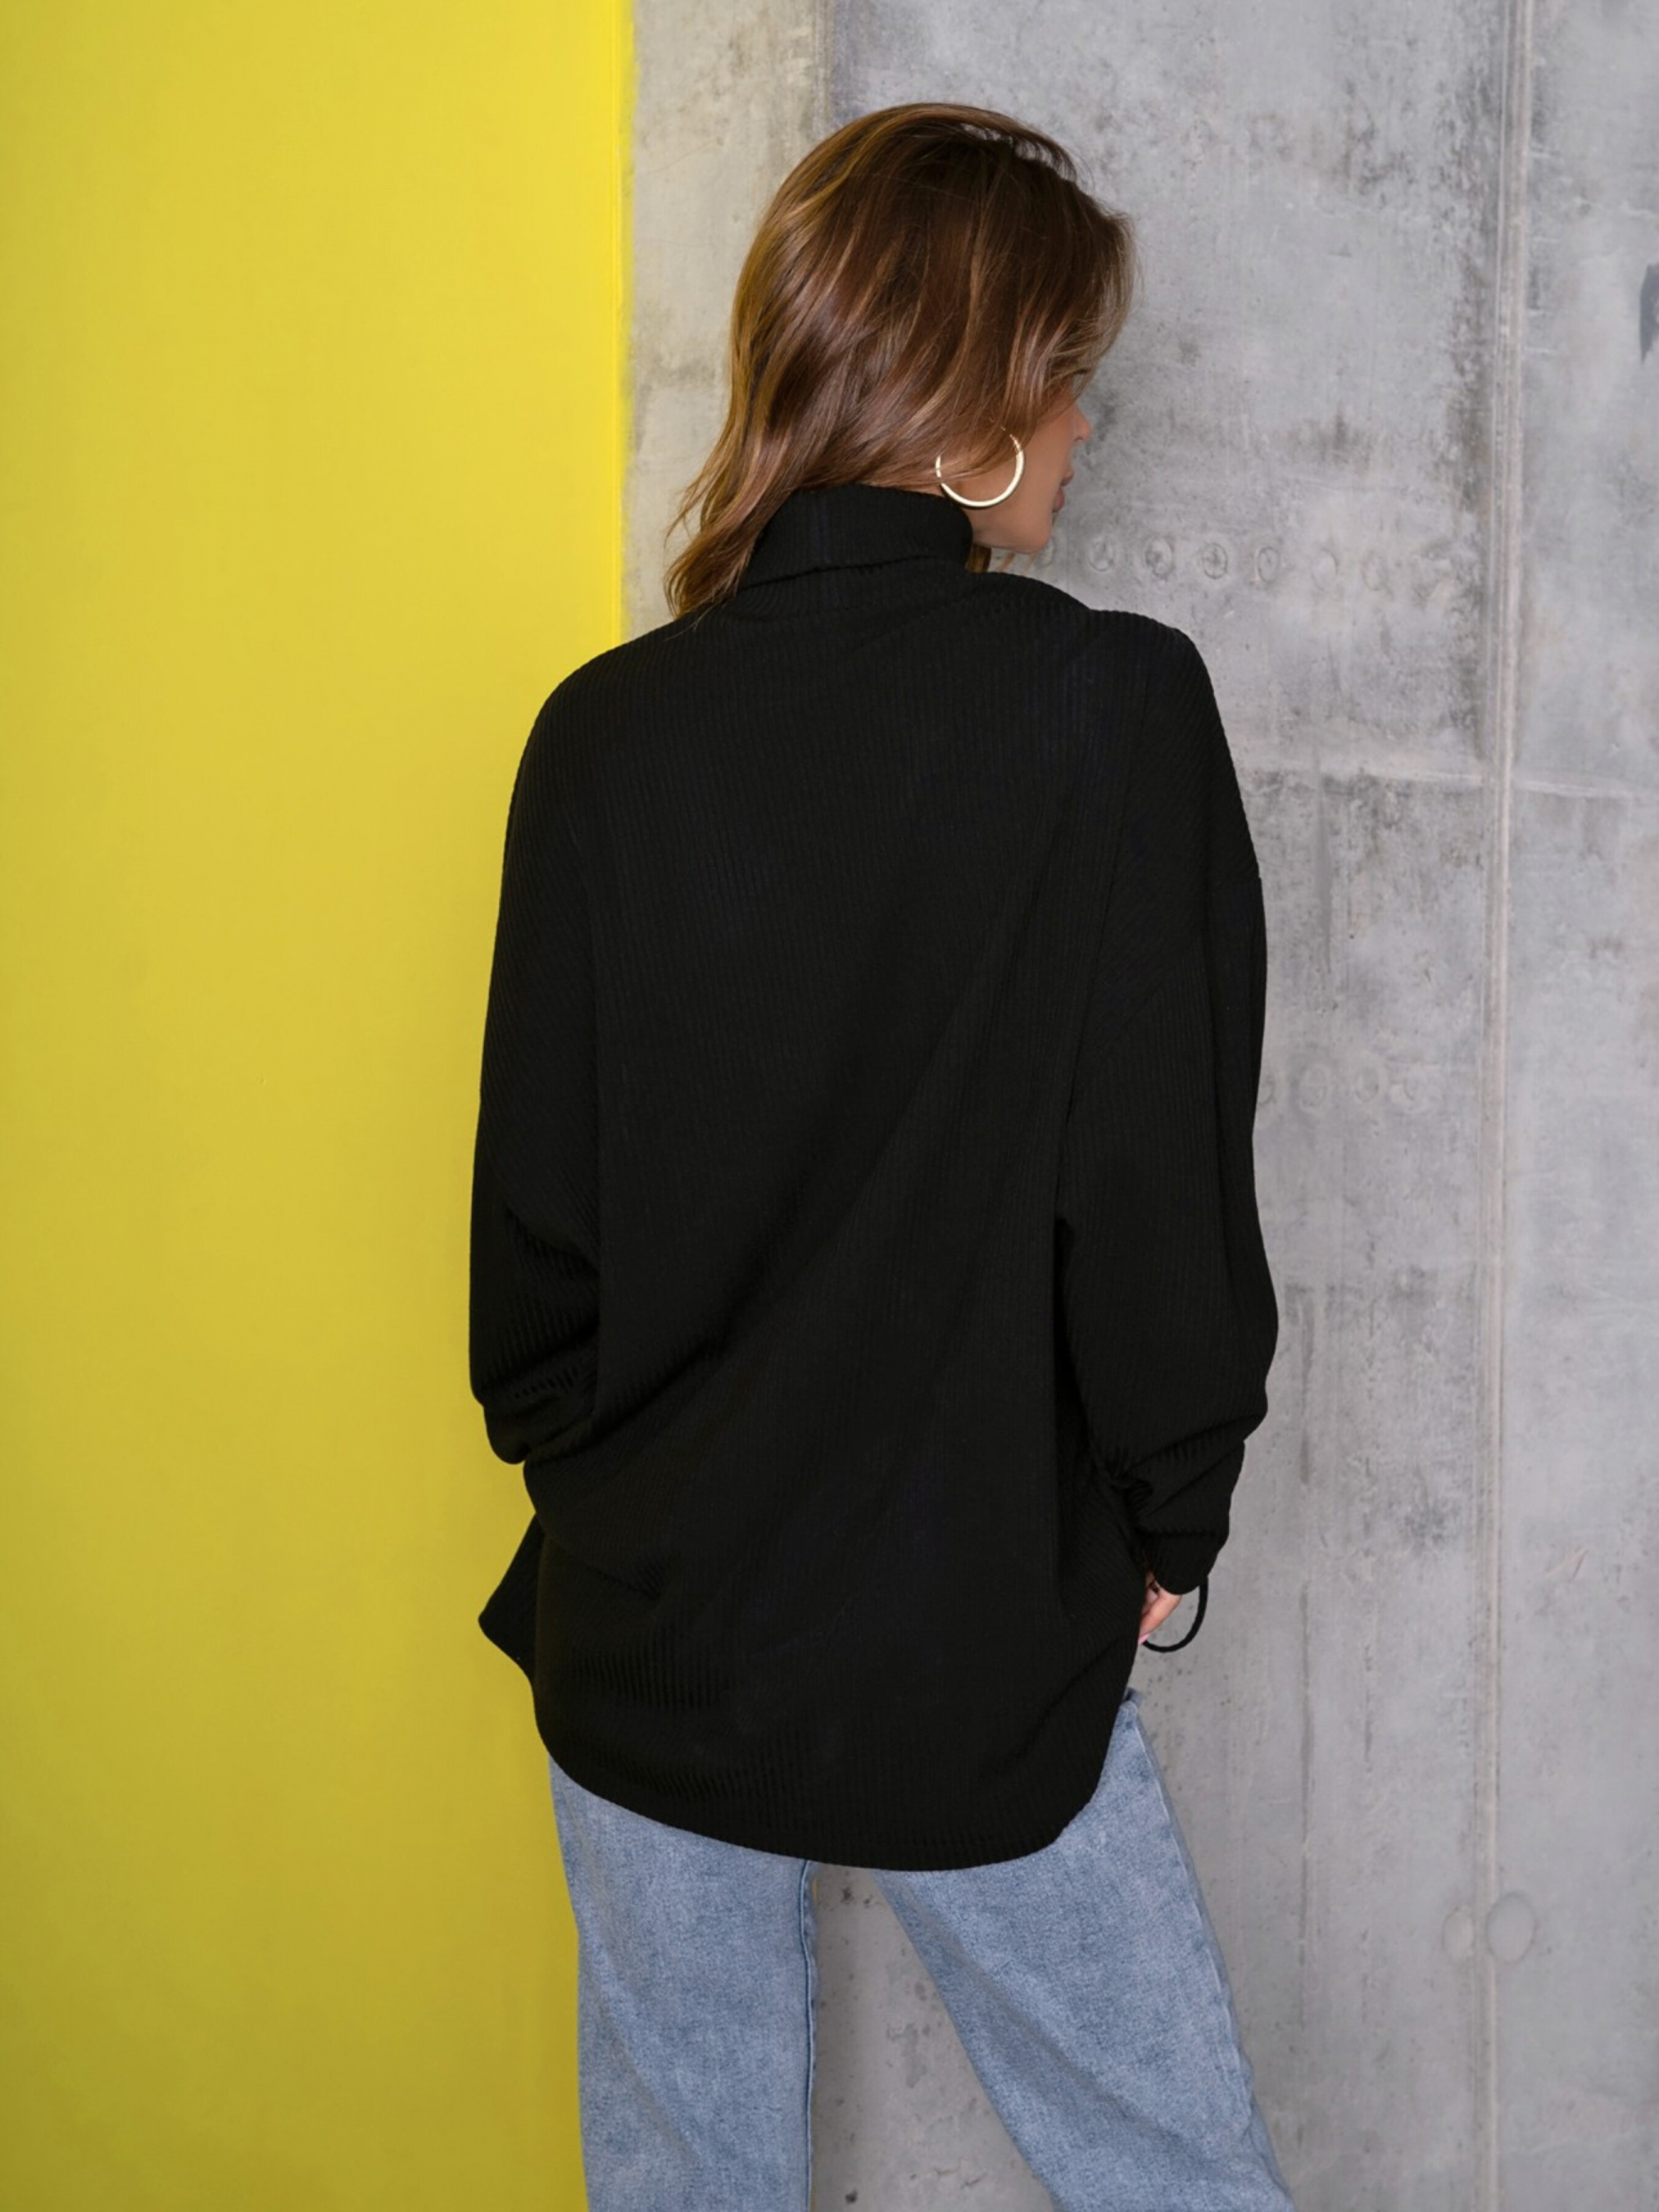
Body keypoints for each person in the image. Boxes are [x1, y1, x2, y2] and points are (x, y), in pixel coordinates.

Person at [468, 100, 1294, 2212]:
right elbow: (1158, 1199)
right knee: (1173, 2174)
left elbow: (535, 1264)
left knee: (685, 2182)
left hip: (648, 1622)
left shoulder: (602, 735)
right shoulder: (1109, 710)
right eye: (1066, 375)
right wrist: (1173, 1514)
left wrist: (620, 1492)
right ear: (974, 408)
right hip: (977, 1632)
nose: (1086, 425)